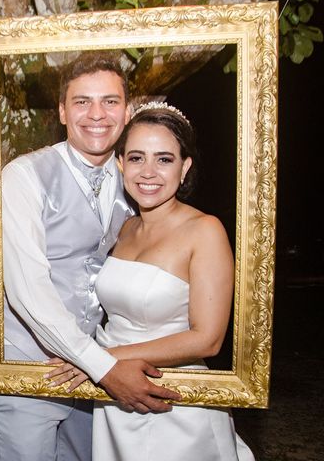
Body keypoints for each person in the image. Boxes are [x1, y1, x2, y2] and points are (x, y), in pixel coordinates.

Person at [0, 53, 180, 461]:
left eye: (110, 101)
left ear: (127, 111)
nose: (96, 114)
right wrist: (104, 367)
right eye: (82, 101)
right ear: (63, 112)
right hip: (24, 375)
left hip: (89, 381)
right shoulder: (23, 175)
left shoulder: (133, 181)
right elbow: (27, 292)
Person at [49, 103, 254, 460]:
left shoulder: (205, 230)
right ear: (120, 163)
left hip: (175, 403)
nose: (148, 172)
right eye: (137, 157)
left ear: (184, 167)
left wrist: (99, 359)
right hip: (115, 396)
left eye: (164, 159)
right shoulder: (125, 228)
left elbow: (208, 339)